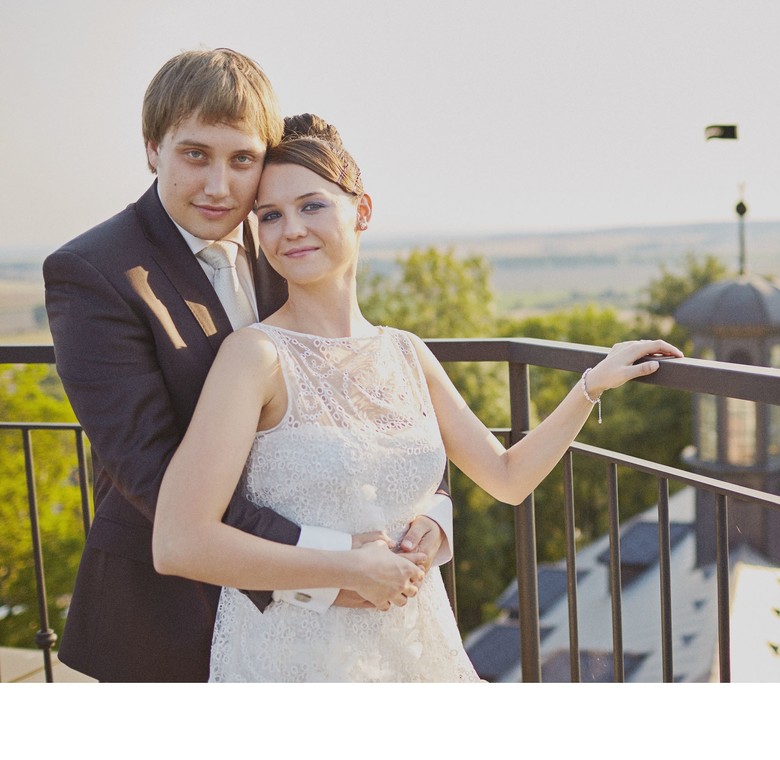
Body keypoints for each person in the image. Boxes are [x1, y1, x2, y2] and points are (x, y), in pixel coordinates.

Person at [151, 113, 685, 682]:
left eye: (311, 206)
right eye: (270, 216)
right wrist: (345, 570)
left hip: (413, 646)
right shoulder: (254, 356)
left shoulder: (406, 353)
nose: (291, 230)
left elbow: (507, 477)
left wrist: (589, 386)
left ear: (361, 211)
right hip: (297, 661)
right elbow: (181, 543)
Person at [43, 49, 452, 683]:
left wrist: (429, 515)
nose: (219, 186)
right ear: (153, 148)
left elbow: (366, 401)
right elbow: (152, 474)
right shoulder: (93, 273)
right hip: (169, 619)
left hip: (327, 633)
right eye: (195, 155)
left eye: (243, 160)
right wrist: (334, 564)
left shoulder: (284, 240)